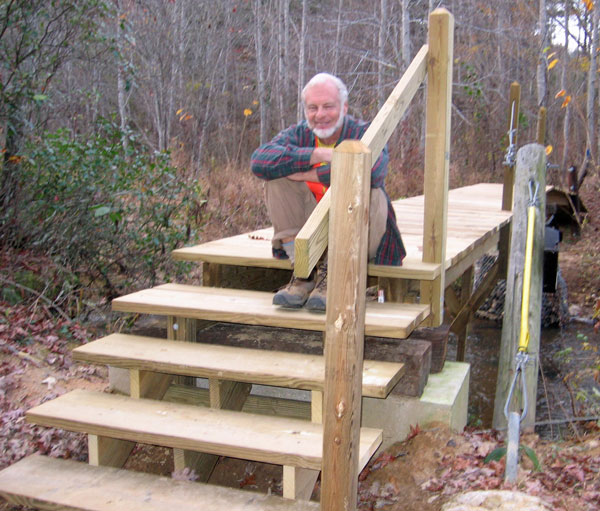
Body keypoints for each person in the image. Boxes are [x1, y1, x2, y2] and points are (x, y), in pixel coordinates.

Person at [251, 72, 405, 312]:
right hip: (313, 235)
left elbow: (374, 171)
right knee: (276, 179)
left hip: (363, 236)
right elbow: (259, 161)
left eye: (328, 106)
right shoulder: (299, 134)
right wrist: (318, 155)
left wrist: (310, 174)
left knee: (368, 187)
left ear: (344, 107)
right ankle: (304, 273)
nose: (320, 115)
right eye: (312, 107)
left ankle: (334, 276)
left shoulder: (364, 132)